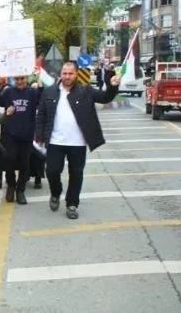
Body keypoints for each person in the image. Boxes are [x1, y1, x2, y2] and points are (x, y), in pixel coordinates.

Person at [35, 61, 120, 220]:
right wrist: (39, 135)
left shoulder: (85, 91)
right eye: (64, 73)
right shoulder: (49, 91)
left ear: (76, 74)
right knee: (52, 171)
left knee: (76, 174)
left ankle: (72, 204)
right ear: (60, 74)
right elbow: (41, 115)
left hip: (78, 143)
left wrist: (112, 85)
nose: (67, 77)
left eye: (70, 73)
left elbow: (105, 97)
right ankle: (55, 192)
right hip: (55, 141)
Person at [0, 74, 43, 205]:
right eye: (17, 79)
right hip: (10, 134)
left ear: (26, 79)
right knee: (9, 161)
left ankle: (20, 190)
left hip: (26, 134)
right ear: (14, 80)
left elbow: (41, 99)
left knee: (25, 164)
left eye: (22, 79)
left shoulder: (32, 92)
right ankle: (11, 186)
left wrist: (40, 84)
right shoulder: (9, 92)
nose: (19, 81)